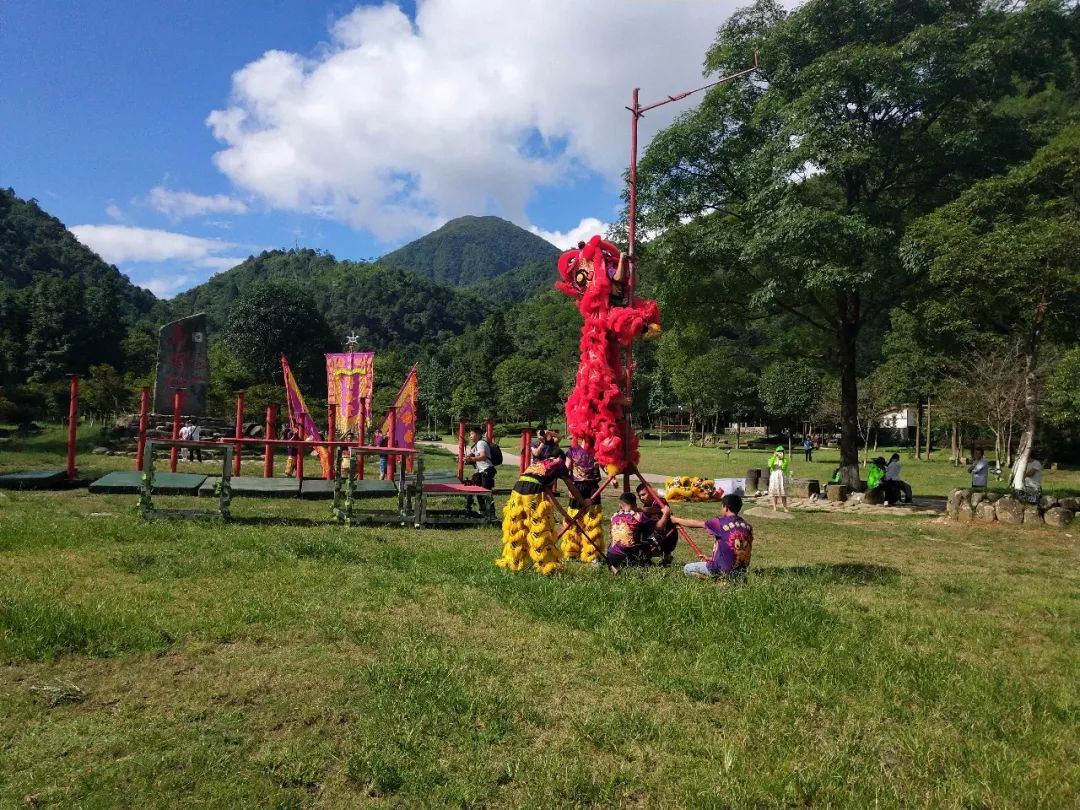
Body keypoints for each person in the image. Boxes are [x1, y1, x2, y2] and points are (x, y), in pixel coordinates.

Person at [496, 449, 583, 575]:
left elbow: (551, 497)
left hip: (517, 489)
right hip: (533, 490)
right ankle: (547, 566)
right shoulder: (559, 463)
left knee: (517, 527)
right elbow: (571, 486)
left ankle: (513, 562)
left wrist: (566, 516)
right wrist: (583, 501)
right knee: (540, 527)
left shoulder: (538, 463)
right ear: (561, 458)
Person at [674, 494, 753, 584]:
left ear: (726, 508)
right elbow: (735, 550)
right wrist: (711, 558)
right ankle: (731, 580)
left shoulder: (720, 522)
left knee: (687, 569)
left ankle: (719, 581)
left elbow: (696, 524)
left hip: (721, 570)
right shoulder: (748, 526)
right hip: (740, 572)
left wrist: (676, 520)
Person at [561, 439, 605, 562]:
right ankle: (572, 551)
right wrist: (570, 486)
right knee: (574, 518)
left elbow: (605, 466)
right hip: (576, 487)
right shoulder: (572, 450)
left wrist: (612, 477)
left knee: (593, 519)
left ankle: (593, 554)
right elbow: (565, 470)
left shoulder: (597, 450)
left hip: (593, 488)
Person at [606, 492, 668, 574]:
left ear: (620, 505)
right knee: (654, 537)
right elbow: (659, 526)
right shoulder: (639, 516)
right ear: (635, 505)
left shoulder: (614, 516)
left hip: (611, 557)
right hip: (626, 557)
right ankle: (645, 561)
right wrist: (666, 515)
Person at [637, 482, 678, 566]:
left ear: (651, 492)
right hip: (652, 537)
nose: (642, 498)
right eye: (640, 496)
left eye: (643, 494)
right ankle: (644, 557)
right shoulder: (645, 508)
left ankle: (664, 554)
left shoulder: (660, 501)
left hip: (667, 537)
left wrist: (639, 509)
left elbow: (659, 509)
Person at [463, 427, 497, 517]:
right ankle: (482, 510)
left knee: (486, 492)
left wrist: (471, 458)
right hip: (480, 471)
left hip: (487, 470)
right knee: (477, 490)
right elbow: (472, 457)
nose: (470, 436)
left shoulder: (481, 443)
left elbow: (483, 456)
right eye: (470, 434)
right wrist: (466, 459)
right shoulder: (475, 446)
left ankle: (491, 514)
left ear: (478, 434)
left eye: (472, 434)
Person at [766, 445, 790, 510]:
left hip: (782, 475)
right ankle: (774, 507)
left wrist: (782, 460)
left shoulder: (785, 460)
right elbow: (770, 465)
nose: (780, 453)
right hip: (774, 475)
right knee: (774, 493)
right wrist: (774, 457)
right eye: (778, 452)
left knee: (783, 493)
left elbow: (784, 467)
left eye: (781, 452)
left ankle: (785, 507)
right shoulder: (772, 459)